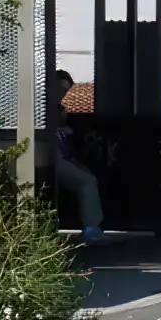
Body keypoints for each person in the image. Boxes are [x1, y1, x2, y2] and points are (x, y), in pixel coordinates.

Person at [44, 68, 108, 240]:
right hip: (50, 155)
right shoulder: (48, 109)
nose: (62, 93)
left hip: (54, 155)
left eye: (65, 90)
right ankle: (92, 228)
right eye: (60, 89)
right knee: (87, 181)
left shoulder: (56, 109)